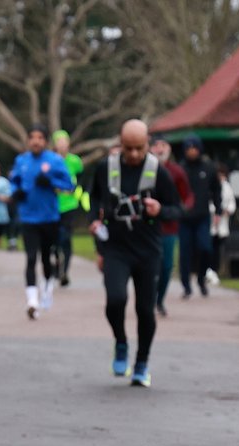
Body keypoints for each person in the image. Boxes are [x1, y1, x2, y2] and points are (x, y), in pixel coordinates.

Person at [86, 119, 182, 388]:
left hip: (147, 249)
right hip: (115, 247)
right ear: (120, 144)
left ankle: (141, 363)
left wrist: (159, 210)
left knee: (144, 309)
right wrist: (94, 219)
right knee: (115, 300)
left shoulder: (158, 172)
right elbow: (93, 197)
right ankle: (120, 342)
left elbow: (177, 209)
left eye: (139, 148)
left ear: (147, 145)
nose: (134, 155)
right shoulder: (106, 167)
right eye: (128, 149)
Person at [8, 124, 74, 319]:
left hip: (49, 218)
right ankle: (32, 301)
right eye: (32, 137)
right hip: (28, 218)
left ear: (46, 141)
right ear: (28, 140)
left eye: (40, 137)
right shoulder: (21, 161)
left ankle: (47, 289)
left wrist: (51, 183)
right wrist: (15, 192)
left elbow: (69, 184)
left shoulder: (54, 161)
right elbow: (14, 182)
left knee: (46, 258)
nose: (35, 141)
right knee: (30, 258)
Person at [149, 136, 192, 317]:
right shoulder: (145, 171)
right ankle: (148, 298)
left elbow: (187, 196)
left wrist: (183, 210)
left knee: (166, 265)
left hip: (169, 226)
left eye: (163, 145)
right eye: (156, 145)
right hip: (148, 227)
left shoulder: (177, 172)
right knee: (150, 265)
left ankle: (160, 300)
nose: (159, 149)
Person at [177, 135, 221, 298]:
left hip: (202, 216)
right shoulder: (180, 169)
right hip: (184, 218)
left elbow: (216, 190)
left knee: (205, 248)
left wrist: (217, 210)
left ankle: (201, 279)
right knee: (185, 252)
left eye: (194, 148)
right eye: (189, 149)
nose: (192, 152)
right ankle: (186, 285)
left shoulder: (209, 168)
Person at [51, 129, 86, 287]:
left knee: (66, 237)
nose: (62, 145)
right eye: (59, 141)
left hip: (70, 205)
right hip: (52, 206)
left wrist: (74, 191)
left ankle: (65, 271)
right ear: (55, 144)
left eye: (65, 141)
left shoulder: (75, 161)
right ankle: (57, 265)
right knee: (54, 239)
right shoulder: (50, 161)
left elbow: (80, 180)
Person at [208, 162, 236, 285]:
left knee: (218, 248)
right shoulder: (211, 186)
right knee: (208, 247)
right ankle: (208, 270)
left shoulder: (227, 187)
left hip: (222, 222)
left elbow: (232, 203)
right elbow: (208, 202)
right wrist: (215, 212)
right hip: (211, 221)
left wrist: (226, 210)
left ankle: (214, 270)